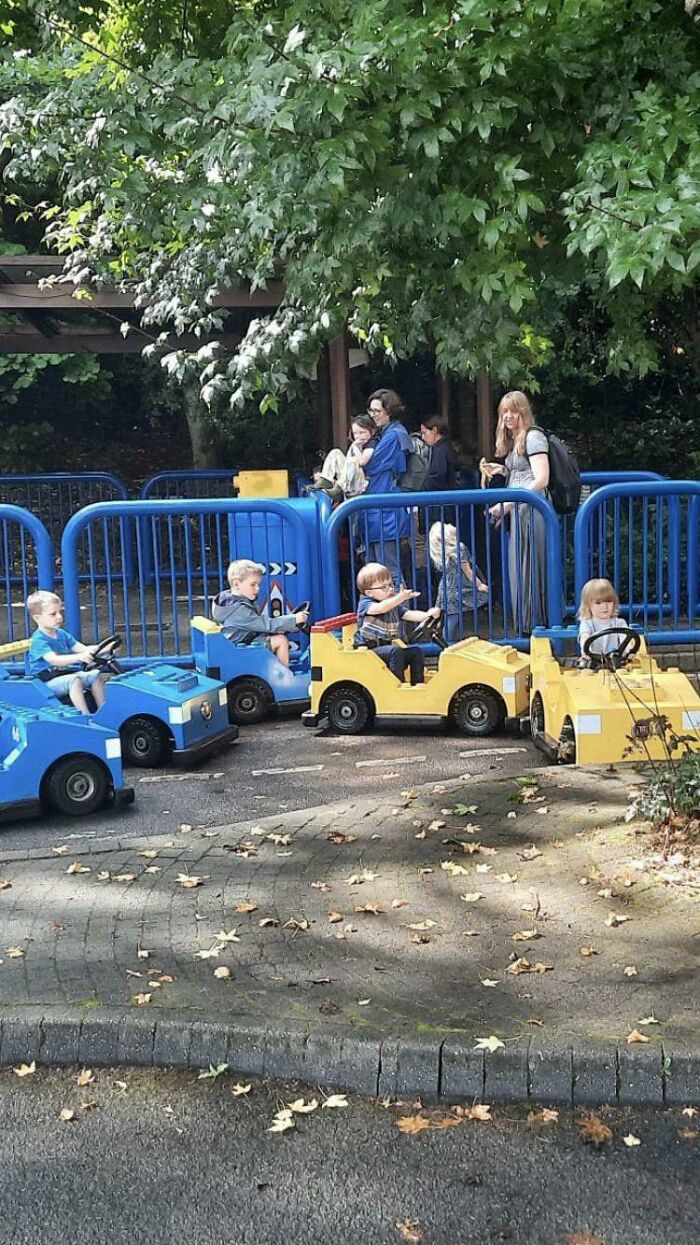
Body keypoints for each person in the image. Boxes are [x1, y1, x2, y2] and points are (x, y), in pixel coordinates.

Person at [483, 391, 550, 632]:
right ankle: (529, 623)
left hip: (532, 510)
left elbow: (541, 478)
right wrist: (502, 470)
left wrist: (510, 504)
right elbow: (524, 474)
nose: (508, 416)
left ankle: (536, 623)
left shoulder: (533, 437)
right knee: (521, 566)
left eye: (513, 411)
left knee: (529, 565)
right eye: (504, 412)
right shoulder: (518, 440)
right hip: (522, 510)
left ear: (523, 412)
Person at [354, 563, 441, 685]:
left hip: (385, 647)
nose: (390, 589)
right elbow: (380, 608)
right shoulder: (366, 603)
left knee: (416, 651)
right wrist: (400, 598)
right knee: (396, 652)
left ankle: (418, 684)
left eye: (391, 585)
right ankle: (396, 685)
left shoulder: (392, 605)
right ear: (369, 593)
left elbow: (409, 614)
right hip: (368, 650)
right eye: (384, 587)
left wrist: (428, 615)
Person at [212, 559, 309, 668]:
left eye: (258, 584)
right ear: (236, 584)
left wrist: (289, 625)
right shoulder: (239, 610)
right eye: (253, 585)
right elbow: (266, 624)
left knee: (276, 635)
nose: (257, 588)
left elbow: (259, 625)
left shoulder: (234, 603)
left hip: (242, 643)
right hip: (239, 650)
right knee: (281, 640)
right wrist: (294, 620)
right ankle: (284, 678)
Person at [26, 589, 107, 714]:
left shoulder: (61, 634)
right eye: (53, 614)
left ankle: (104, 712)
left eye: (60, 612)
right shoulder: (39, 640)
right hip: (45, 684)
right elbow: (54, 660)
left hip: (62, 676)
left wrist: (104, 648)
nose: (59, 617)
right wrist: (80, 657)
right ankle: (85, 716)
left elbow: (83, 649)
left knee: (95, 675)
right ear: (38, 618)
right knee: (74, 680)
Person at [363, 389, 412, 580]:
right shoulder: (390, 433)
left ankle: (401, 609)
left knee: (388, 571)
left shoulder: (393, 435)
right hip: (380, 511)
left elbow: (371, 465)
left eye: (377, 411)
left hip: (384, 511)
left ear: (389, 411)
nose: (373, 415)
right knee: (380, 572)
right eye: (371, 411)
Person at [428, 522, 489, 644]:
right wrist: (479, 585)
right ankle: (446, 645)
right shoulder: (458, 548)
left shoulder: (442, 552)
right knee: (453, 619)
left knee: (451, 617)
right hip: (459, 587)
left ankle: (448, 642)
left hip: (446, 587)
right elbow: (467, 571)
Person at [577, 578, 626, 668]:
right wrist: (585, 651)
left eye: (608, 601)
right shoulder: (587, 623)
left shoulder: (619, 623)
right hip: (593, 661)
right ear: (588, 605)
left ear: (614, 603)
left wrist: (629, 651)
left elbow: (625, 638)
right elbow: (584, 637)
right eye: (598, 603)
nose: (604, 606)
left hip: (615, 661)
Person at [420, 415, 462, 492]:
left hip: (440, 499)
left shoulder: (440, 451)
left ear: (434, 430)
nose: (422, 437)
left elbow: (437, 477)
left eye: (424, 433)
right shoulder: (445, 447)